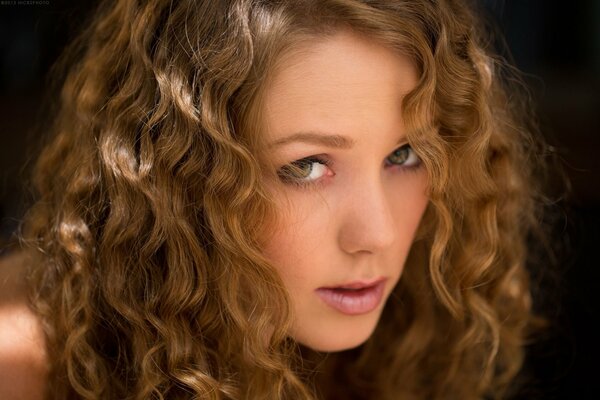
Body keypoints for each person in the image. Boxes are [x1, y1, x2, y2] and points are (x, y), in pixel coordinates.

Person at [0, 0, 557, 398]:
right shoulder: (20, 363)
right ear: (179, 174)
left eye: (405, 156)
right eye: (306, 166)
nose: (379, 235)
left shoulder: (407, 337)